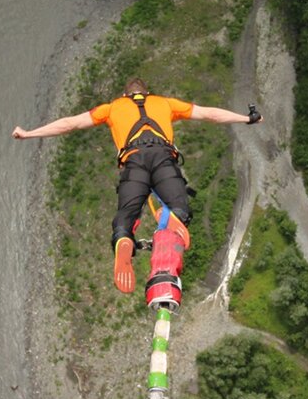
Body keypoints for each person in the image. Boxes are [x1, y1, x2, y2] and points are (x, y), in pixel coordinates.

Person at [13, 78, 261, 292]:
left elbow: (70, 124)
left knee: (126, 217)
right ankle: (169, 213)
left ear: (124, 95)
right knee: (181, 208)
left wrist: (29, 133)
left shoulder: (111, 108)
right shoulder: (165, 103)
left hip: (133, 163)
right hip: (163, 158)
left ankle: (123, 239)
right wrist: (246, 118)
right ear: (147, 92)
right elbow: (209, 114)